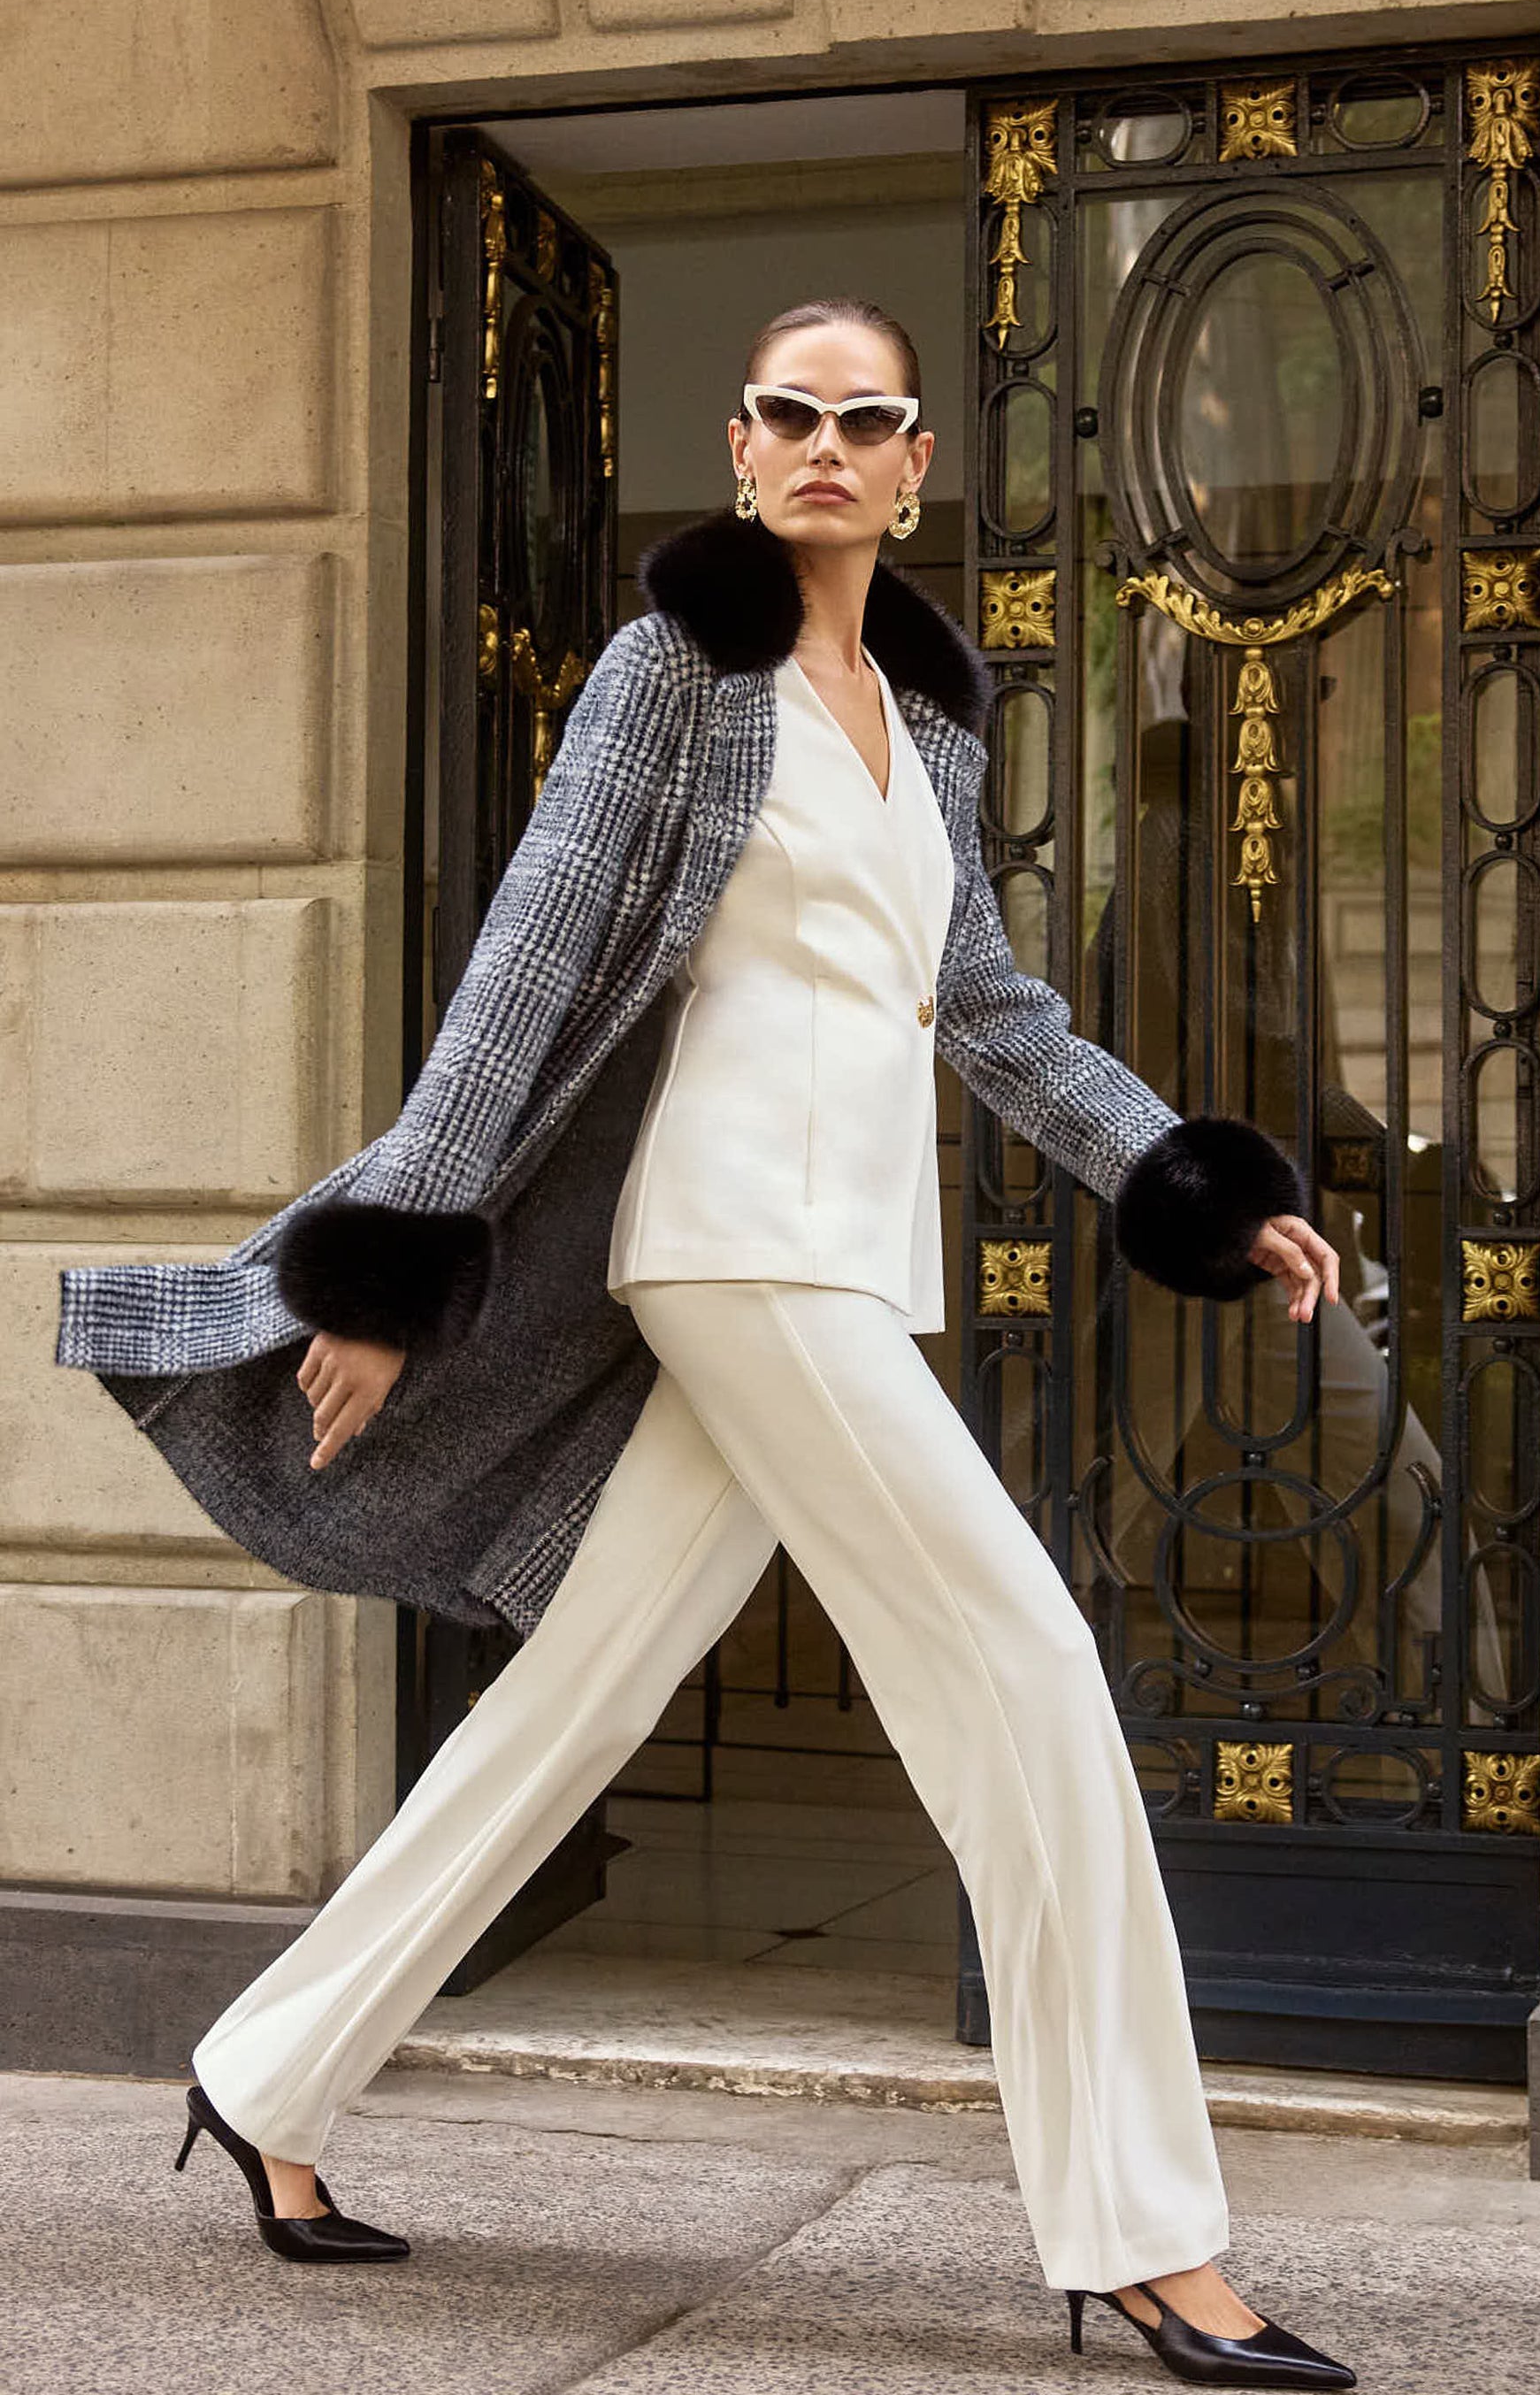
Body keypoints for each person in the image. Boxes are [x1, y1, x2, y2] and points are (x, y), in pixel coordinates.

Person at [84, 296, 1352, 2384]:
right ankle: (1143, 2229)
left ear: (916, 460)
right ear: (743, 450)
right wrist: (396, 1258)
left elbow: (996, 1010)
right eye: (789, 415)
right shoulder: (674, 673)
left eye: (865, 420)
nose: (825, 447)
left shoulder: (929, 724)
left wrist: (1185, 1178)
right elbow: (529, 954)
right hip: (735, 1248)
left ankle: (271, 2067)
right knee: (1024, 1674)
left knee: (574, 1694)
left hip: (850, 1252)